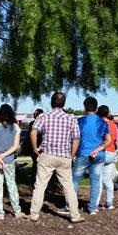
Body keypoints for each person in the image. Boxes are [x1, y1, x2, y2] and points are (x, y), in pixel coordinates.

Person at [28, 92, 83, 223]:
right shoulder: (71, 119)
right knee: (68, 187)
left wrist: (35, 148)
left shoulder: (44, 116)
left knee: (40, 186)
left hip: (47, 154)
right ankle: (74, 215)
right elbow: (76, 139)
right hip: (64, 156)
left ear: (51, 102)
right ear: (64, 103)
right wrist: (72, 155)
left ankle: (34, 214)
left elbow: (33, 132)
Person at [63, 96, 110, 216]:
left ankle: (70, 205)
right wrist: (98, 149)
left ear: (84, 107)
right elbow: (108, 140)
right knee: (95, 182)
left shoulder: (79, 121)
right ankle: (92, 208)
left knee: (74, 180)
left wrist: (71, 153)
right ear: (96, 107)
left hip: (83, 154)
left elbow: (74, 138)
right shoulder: (102, 122)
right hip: (99, 155)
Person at [0, 104, 23, 220]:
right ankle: (17, 211)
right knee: (12, 184)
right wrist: (3, 156)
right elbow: (15, 146)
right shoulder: (16, 127)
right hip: (10, 160)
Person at [95, 106, 118, 210]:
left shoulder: (99, 124)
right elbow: (116, 140)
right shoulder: (113, 124)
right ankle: (109, 202)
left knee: (98, 180)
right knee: (107, 179)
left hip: (102, 152)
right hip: (112, 153)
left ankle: (94, 204)